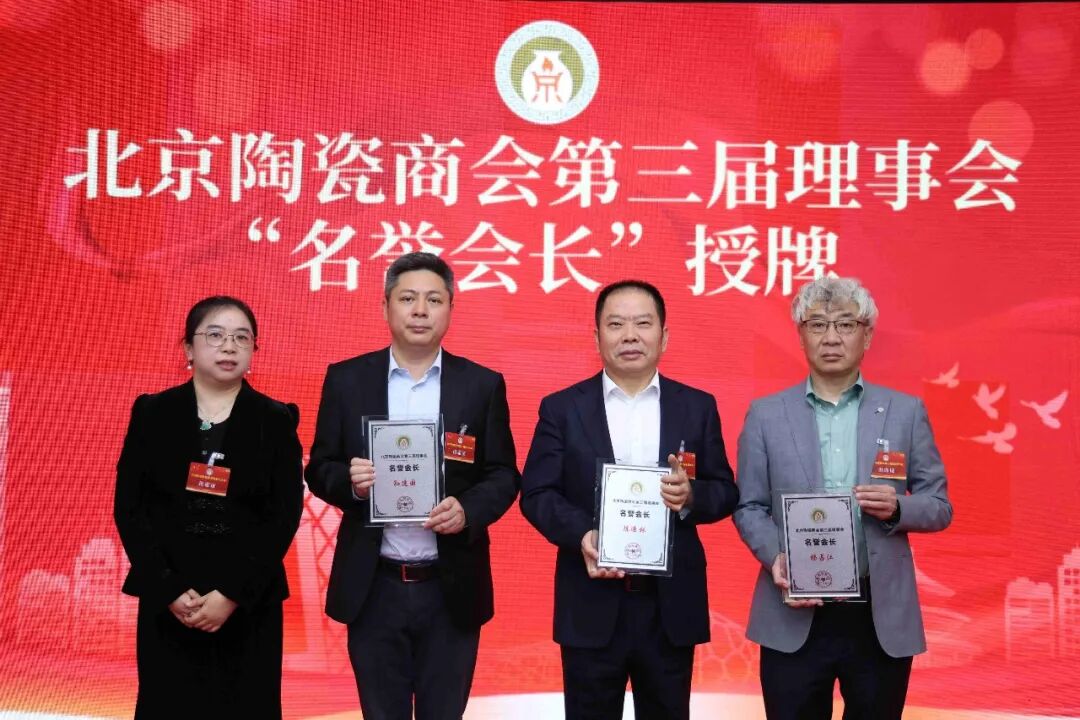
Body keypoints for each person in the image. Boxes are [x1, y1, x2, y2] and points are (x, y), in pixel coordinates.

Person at [305, 252, 519, 720]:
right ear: (386, 307)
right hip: (374, 586)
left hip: (451, 588)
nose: (420, 310)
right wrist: (352, 484)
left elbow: (504, 474)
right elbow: (319, 467)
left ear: (450, 309)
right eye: (407, 299)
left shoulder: (481, 385)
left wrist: (467, 510)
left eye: (433, 300)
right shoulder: (347, 380)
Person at [733, 276, 953, 720]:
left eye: (846, 324)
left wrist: (898, 508)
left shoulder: (905, 412)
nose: (831, 337)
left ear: (866, 335)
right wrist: (777, 557)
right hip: (793, 607)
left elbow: (939, 505)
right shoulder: (766, 415)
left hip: (878, 612)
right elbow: (749, 506)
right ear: (801, 335)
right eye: (817, 324)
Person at [520, 279, 739, 720]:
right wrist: (583, 534)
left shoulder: (697, 406)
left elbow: (725, 490)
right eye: (616, 324)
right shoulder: (562, 408)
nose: (630, 335)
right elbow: (536, 493)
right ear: (597, 336)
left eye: (643, 323)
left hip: (669, 607)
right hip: (590, 601)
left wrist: (691, 496)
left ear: (664, 335)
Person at [114, 296, 304, 719]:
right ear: (188, 348)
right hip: (169, 600)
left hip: (247, 604)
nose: (229, 346)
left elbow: (282, 516)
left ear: (254, 351)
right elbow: (130, 509)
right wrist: (168, 589)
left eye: (242, 338)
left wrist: (232, 593)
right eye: (215, 335)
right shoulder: (153, 413)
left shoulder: (276, 419)